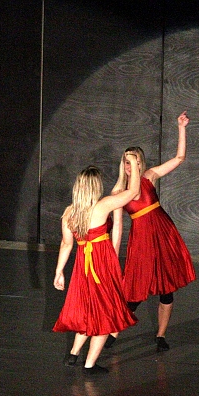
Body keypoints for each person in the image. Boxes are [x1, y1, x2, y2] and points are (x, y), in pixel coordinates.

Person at [106, 111, 196, 352]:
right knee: (134, 292)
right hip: (142, 240)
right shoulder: (118, 193)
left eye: (133, 161)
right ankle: (112, 333)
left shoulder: (150, 176)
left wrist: (181, 128)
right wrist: (113, 255)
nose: (129, 166)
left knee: (167, 289)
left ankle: (161, 335)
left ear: (140, 164)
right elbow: (118, 227)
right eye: (126, 162)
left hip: (163, 233)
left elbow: (179, 157)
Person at [52, 159, 141, 374]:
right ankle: (89, 364)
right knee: (105, 314)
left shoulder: (69, 212)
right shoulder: (103, 206)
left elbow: (66, 244)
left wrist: (59, 272)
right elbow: (133, 192)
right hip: (101, 267)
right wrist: (133, 163)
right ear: (96, 187)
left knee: (88, 309)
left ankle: (74, 354)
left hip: (82, 267)